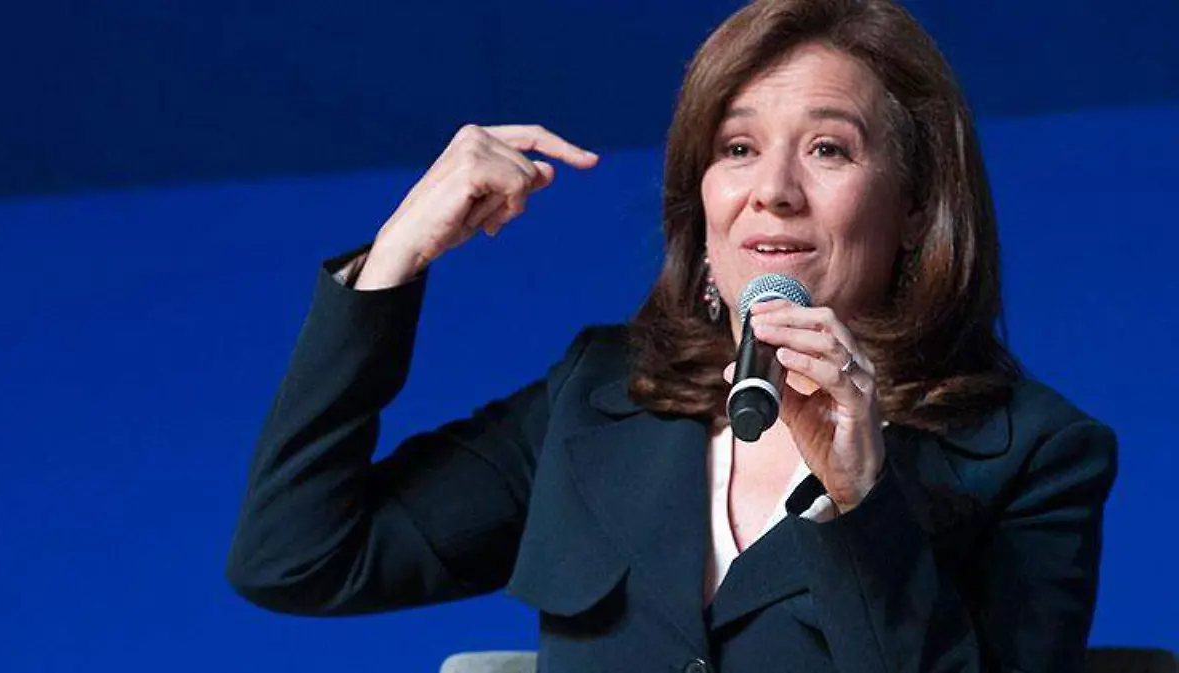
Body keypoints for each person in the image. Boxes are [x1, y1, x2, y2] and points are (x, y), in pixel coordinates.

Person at [225, 0, 1118, 671]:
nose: (772, 190)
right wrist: (394, 257)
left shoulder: (1033, 455)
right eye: (737, 148)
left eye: (828, 149)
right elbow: (295, 556)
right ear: (701, 197)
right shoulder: (600, 396)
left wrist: (863, 504)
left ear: (915, 204)